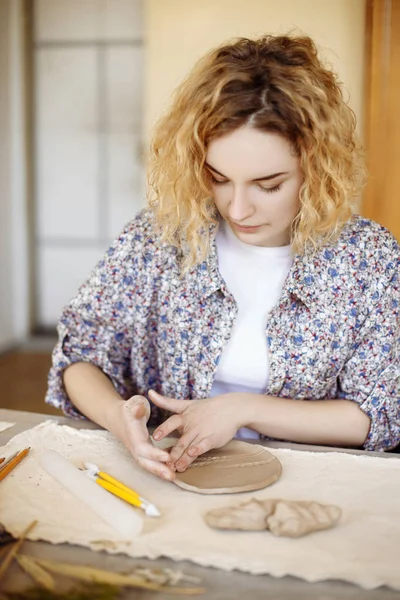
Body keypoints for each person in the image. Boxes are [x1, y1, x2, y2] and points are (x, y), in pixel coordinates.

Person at [46, 34, 400, 481]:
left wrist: (242, 410)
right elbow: (80, 356)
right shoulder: (161, 237)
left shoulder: (368, 260)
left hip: (310, 485)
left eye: (268, 185)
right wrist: (119, 417)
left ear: (317, 165)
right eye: (218, 178)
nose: (237, 210)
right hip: (166, 474)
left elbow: (377, 414)